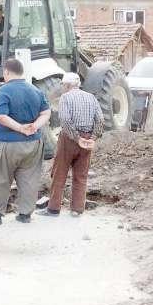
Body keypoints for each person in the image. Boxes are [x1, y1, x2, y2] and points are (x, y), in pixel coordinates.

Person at [0, 58, 50, 224]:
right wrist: (34, 127)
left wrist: (20, 128)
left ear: (6, 72)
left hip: (6, 144)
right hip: (33, 144)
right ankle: (25, 214)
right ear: (22, 72)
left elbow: (0, 116)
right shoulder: (35, 90)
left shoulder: (4, 91)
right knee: (29, 179)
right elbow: (46, 113)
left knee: (0, 178)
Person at [38, 72, 104, 218]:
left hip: (69, 139)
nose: (62, 87)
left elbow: (65, 120)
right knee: (81, 175)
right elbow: (100, 119)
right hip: (87, 139)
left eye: (62, 84)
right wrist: (92, 138)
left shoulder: (65, 97)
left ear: (67, 85)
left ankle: (53, 209)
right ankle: (77, 209)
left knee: (59, 173)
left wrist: (76, 137)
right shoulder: (91, 97)